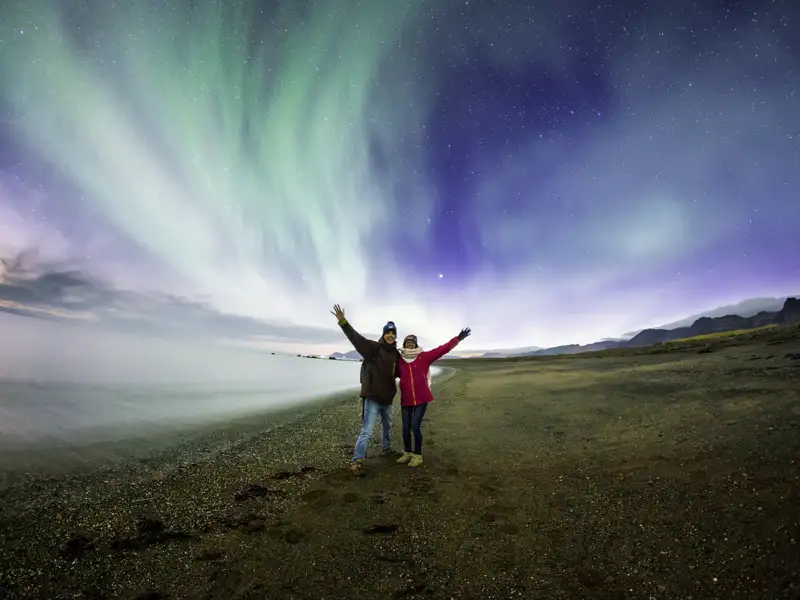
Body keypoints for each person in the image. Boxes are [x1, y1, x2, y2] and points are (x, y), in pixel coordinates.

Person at [331, 304, 400, 476]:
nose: (390, 335)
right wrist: (343, 322)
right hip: (373, 398)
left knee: (387, 426)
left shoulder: (396, 355)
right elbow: (357, 339)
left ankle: (386, 449)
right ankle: (357, 459)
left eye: (393, 333)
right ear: (383, 335)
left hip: (387, 399)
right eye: (387, 333)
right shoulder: (374, 348)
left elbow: (403, 371)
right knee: (367, 431)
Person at [396, 327, 471, 467]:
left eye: (413, 342)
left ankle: (417, 455)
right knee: (405, 427)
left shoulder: (424, 356)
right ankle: (406, 453)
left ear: (416, 344)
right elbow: (387, 369)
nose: (410, 344)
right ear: (404, 344)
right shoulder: (399, 360)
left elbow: (443, 349)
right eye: (408, 342)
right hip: (406, 399)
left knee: (414, 426)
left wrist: (458, 338)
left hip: (422, 398)